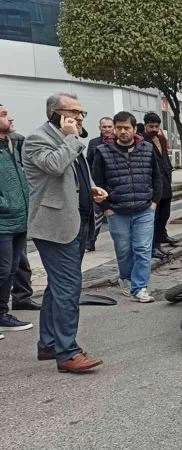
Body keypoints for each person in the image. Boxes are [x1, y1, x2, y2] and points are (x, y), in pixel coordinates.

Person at [24, 93, 108, 372]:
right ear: (55, 113)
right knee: (68, 288)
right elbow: (54, 165)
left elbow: (73, 172)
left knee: (58, 287)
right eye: (73, 112)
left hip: (77, 222)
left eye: (81, 112)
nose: (80, 117)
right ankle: (67, 353)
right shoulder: (37, 139)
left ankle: (49, 343)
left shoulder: (68, 139)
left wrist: (91, 188)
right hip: (54, 227)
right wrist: (71, 138)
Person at [93, 112, 162, 302]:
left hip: (144, 208)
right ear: (114, 129)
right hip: (116, 210)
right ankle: (125, 277)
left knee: (143, 248)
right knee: (123, 249)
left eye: (127, 128)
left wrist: (154, 203)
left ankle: (140, 287)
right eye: (119, 128)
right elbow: (97, 183)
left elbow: (157, 177)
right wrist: (106, 208)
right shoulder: (103, 151)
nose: (123, 132)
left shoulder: (147, 149)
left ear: (134, 129)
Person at [0, 104, 34, 336]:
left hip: (18, 220)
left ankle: (2, 314)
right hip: (3, 221)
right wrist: (6, 204)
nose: (10, 118)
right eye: (3, 115)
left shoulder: (11, 145)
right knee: (2, 270)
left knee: (10, 270)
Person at [142, 112, 174, 260]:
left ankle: (159, 242)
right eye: (151, 126)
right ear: (145, 126)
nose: (154, 129)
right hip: (152, 185)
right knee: (154, 218)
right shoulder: (142, 141)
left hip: (166, 183)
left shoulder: (161, 139)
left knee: (164, 215)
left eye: (156, 126)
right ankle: (153, 246)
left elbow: (164, 158)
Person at [85, 116, 115, 252]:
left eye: (109, 126)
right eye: (104, 127)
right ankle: (90, 242)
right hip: (98, 184)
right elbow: (88, 162)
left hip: (114, 183)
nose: (107, 129)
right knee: (96, 214)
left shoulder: (118, 142)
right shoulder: (94, 143)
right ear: (100, 128)